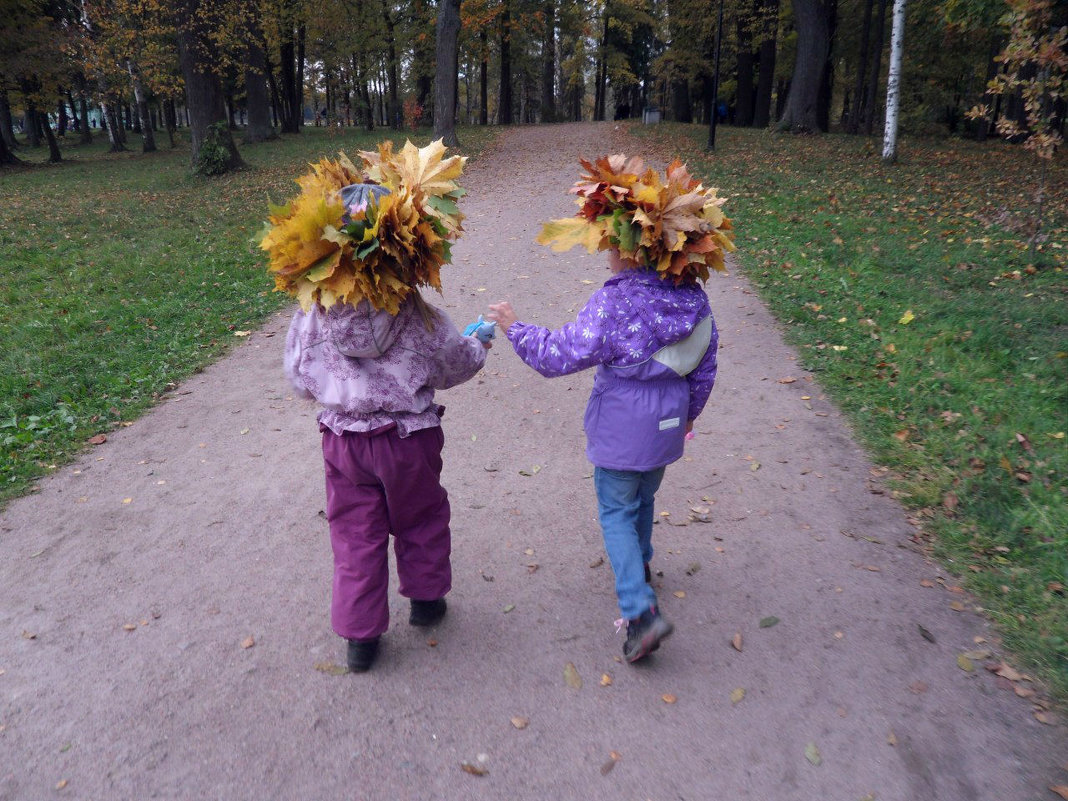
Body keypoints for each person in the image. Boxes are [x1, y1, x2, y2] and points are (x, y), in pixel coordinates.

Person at [487, 247, 719, 662]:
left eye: (610, 247)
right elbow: (705, 365)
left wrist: (515, 328)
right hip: (668, 425)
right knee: (644, 498)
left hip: (622, 429)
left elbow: (559, 353)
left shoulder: (617, 302)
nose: (605, 256)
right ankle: (641, 566)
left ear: (630, 252)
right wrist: (690, 415)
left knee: (616, 511)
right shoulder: (695, 299)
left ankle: (640, 612)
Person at [285, 293, 490, 672]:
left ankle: (360, 636)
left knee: (354, 533)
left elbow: (299, 379)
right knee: (421, 517)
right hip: (408, 439)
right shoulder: (415, 312)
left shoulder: (313, 314)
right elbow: (453, 364)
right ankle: (426, 600)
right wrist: (478, 345)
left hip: (344, 441)